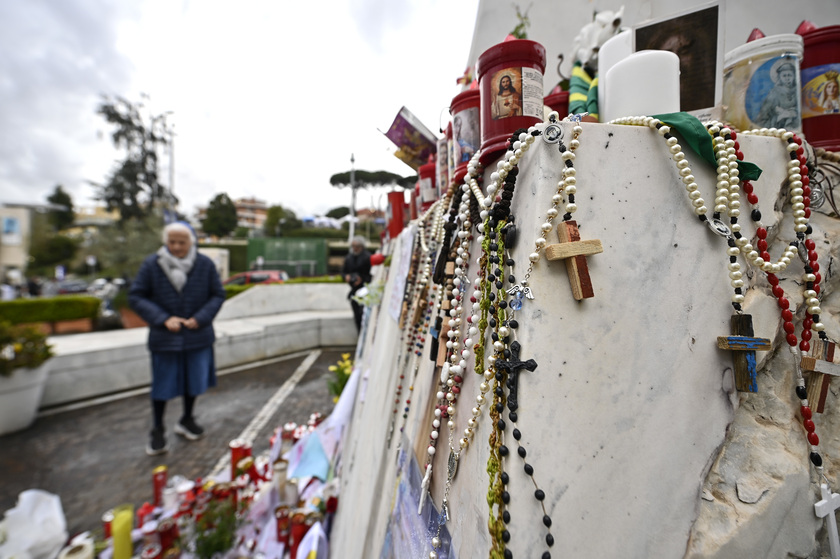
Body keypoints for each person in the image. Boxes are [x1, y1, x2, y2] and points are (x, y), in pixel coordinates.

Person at [129, 222, 226, 455]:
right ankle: (157, 429)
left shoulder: (204, 264)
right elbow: (136, 296)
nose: (176, 246)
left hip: (197, 335)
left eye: (181, 242)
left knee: (194, 381)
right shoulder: (152, 264)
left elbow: (217, 294)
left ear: (191, 242)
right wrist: (163, 318)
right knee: (162, 386)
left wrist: (200, 318)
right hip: (165, 338)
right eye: (172, 241)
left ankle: (187, 419)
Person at [756, 59, 799, 129]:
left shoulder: (797, 91)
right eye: (784, 76)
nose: (787, 78)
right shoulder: (774, 94)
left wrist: (793, 113)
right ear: (779, 77)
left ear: (794, 77)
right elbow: (762, 120)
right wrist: (780, 117)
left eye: (790, 75)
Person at [342, 236, 371, 333]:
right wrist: (346, 276)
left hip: (365, 291)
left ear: (361, 246)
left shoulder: (367, 257)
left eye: (357, 246)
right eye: (353, 246)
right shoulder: (349, 257)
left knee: (364, 315)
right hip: (354, 291)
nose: (355, 248)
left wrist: (361, 279)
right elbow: (343, 272)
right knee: (357, 317)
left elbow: (371, 275)